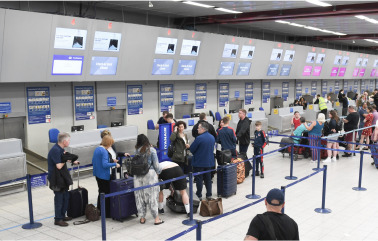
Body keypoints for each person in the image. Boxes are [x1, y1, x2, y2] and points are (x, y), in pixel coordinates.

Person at [47, 132, 78, 227]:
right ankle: (58, 219)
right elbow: (59, 165)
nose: (69, 142)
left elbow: (63, 159)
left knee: (66, 197)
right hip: (56, 179)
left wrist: (72, 160)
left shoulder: (61, 149)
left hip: (62, 178)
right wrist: (65, 160)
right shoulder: (56, 150)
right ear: (64, 141)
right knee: (59, 199)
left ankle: (62, 215)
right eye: (68, 140)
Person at [133, 134, 163, 225]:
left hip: (137, 176)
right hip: (149, 175)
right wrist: (159, 171)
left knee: (139, 197)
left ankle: (142, 218)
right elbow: (157, 166)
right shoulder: (152, 150)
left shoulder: (137, 151)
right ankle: (156, 219)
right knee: (152, 197)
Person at [92, 135, 120, 218]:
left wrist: (110, 160)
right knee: (107, 194)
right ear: (108, 143)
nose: (111, 145)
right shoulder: (104, 151)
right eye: (110, 144)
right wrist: (115, 164)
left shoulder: (97, 149)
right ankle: (107, 213)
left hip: (98, 174)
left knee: (101, 192)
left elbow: (95, 161)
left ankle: (100, 210)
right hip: (104, 175)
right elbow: (104, 165)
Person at [190, 123, 216, 200]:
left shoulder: (199, 138)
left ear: (203, 129)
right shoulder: (212, 137)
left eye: (198, 128)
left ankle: (199, 194)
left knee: (199, 179)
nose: (197, 129)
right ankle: (209, 194)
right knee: (208, 179)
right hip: (209, 162)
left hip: (199, 162)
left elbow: (192, 149)